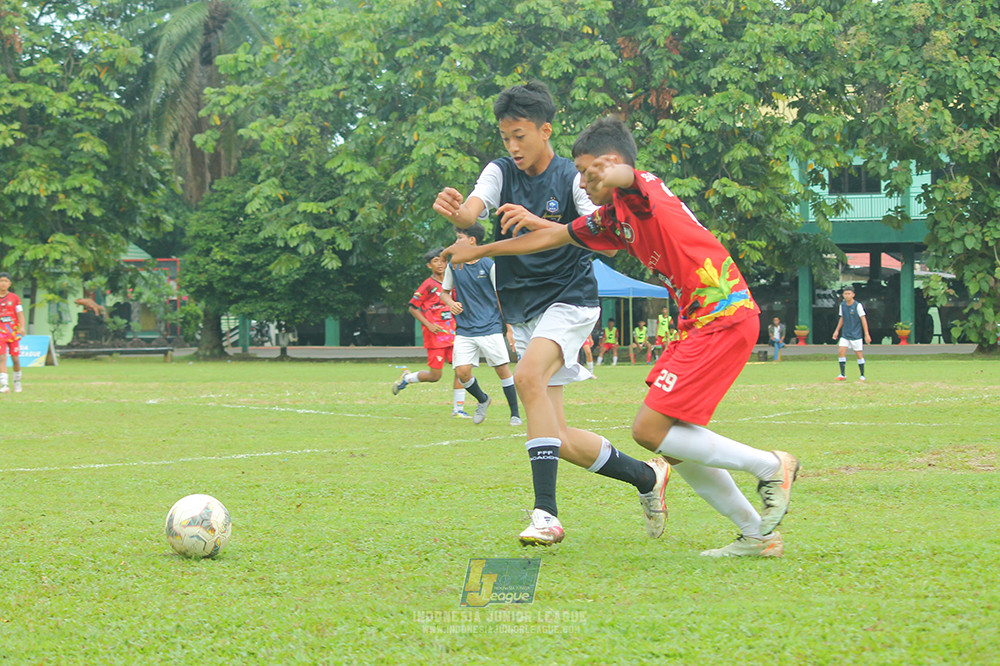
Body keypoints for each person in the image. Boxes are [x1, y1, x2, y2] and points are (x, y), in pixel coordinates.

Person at [442, 115, 800, 557]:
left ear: (609, 164)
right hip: (701, 322)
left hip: (721, 314)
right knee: (673, 441)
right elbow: (551, 237)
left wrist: (615, 173)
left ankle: (770, 466)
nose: (583, 182)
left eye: (588, 172)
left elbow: (629, 176)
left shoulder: (642, 192)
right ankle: (756, 535)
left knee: (649, 430)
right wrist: (477, 251)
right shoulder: (612, 219)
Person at [433, 82, 669, 547]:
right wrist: (459, 215)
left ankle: (546, 515)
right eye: (505, 138)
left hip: (570, 298)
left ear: (545, 130)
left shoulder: (571, 176)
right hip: (521, 308)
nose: (512, 147)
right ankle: (647, 478)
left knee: (527, 379)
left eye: (520, 136)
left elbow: (591, 231)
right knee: (555, 435)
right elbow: (473, 213)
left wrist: (535, 220)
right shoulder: (499, 171)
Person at [438, 223, 522, 426]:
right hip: (465, 329)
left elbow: (501, 296)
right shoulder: (454, 266)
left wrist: (509, 328)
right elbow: (444, 292)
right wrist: (450, 303)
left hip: (490, 326)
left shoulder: (489, 265)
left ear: (472, 240)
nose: (456, 242)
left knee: (502, 369)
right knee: (462, 372)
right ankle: (483, 399)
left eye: (460, 238)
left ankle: (515, 414)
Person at [392, 247, 469, 417]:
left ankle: (458, 410)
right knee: (435, 376)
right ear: (429, 265)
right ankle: (407, 378)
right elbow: (413, 307)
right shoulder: (428, 284)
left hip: (455, 332)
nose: (440, 264)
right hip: (436, 335)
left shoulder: (454, 281)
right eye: (436, 261)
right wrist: (429, 325)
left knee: (461, 370)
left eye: (443, 260)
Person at [831, 287, 871, 381]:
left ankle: (862, 375)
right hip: (845, 334)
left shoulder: (858, 305)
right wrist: (837, 330)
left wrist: (866, 334)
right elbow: (842, 318)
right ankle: (842, 374)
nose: (847, 295)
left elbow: (863, 319)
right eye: (845, 294)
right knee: (841, 351)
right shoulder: (843, 305)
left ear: (853, 295)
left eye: (849, 294)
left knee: (858, 354)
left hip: (856, 335)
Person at [0, 272, 25, 394]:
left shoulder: (15, 298)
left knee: (15, 359)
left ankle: (17, 381)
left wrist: (22, 327)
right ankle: (4, 384)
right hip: (0, 333)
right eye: (1, 281)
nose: (3, 283)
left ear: (9, 283)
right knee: (2, 357)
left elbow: (20, 314)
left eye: (5, 281)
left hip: (13, 332)